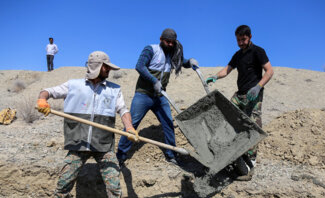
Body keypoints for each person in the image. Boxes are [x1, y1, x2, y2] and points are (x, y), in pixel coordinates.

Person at [36, 51, 139, 198]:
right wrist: (42, 100)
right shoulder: (74, 85)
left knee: (113, 178)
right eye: (106, 67)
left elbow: (123, 110)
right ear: (97, 66)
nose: (109, 71)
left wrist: (129, 128)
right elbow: (47, 91)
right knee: (66, 177)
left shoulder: (114, 90)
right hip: (79, 141)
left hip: (103, 143)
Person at [116, 28, 199, 165]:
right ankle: (121, 155)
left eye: (173, 42)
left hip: (160, 96)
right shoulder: (151, 49)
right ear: (161, 39)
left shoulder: (171, 54)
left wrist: (190, 62)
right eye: (168, 42)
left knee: (168, 123)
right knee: (132, 124)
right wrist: (154, 81)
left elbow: (181, 61)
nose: (170, 45)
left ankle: (171, 154)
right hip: (143, 94)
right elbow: (140, 66)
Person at [205, 25, 274, 181]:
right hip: (240, 94)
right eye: (238, 40)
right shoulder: (237, 55)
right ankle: (230, 154)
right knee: (227, 118)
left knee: (253, 126)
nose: (241, 43)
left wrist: (258, 87)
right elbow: (227, 70)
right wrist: (215, 76)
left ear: (250, 37)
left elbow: (269, 71)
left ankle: (251, 163)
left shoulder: (258, 51)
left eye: (243, 39)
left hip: (254, 95)